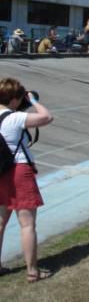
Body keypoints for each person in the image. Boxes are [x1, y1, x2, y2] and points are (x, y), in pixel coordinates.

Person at [0, 78, 54, 282]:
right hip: (18, 171)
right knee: (27, 224)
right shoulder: (15, 118)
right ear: (14, 100)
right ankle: (32, 271)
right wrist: (32, 100)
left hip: (0, 172)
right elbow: (47, 117)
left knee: (0, 222)